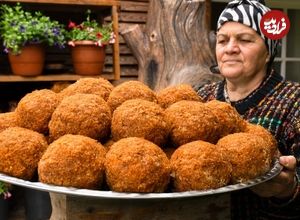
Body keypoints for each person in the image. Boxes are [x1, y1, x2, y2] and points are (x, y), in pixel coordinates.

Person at [195, 0, 300, 219]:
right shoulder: (199, 98)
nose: (230, 48)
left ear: (269, 52)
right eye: (222, 40)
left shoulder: (294, 101)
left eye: (244, 40)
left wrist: (287, 189)